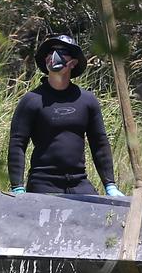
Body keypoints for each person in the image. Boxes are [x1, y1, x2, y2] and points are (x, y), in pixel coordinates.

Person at [7, 34, 124, 196]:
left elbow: (99, 143)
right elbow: (17, 144)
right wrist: (17, 187)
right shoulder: (31, 101)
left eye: (61, 52)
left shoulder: (87, 100)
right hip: (43, 183)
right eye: (50, 52)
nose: (53, 57)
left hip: (79, 182)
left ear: (73, 62)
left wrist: (110, 185)